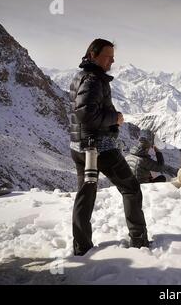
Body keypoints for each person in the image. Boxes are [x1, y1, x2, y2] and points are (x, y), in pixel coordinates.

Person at [69, 38, 148, 256]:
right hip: (99, 147)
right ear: (93, 55)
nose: (112, 61)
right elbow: (86, 114)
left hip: (79, 146)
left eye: (113, 57)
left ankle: (82, 247)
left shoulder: (80, 76)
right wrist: (116, 118)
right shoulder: (94, 79)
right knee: (130, 188)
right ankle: (139, 240)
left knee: (85, 196)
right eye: (108, 56)